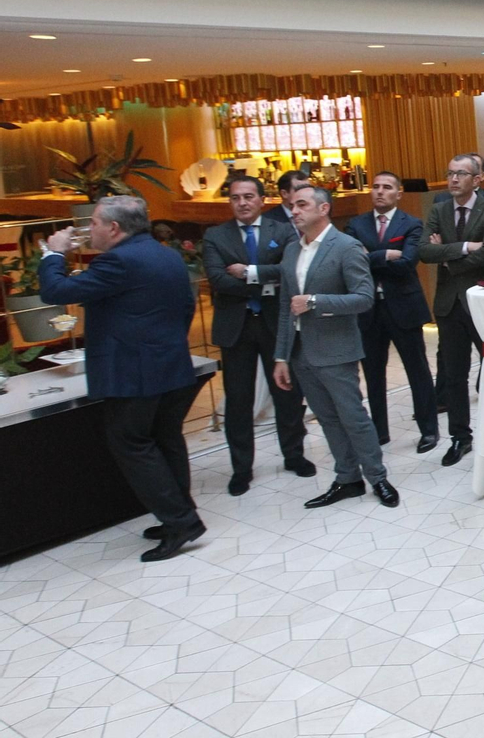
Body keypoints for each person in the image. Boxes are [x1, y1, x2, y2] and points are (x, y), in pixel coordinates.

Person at [39, 196, 206, 561]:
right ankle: (178, 515)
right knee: (166, 440)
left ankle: (180, 522)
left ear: (114, 228)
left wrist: (54, 254)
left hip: (134, 373)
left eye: (94, 223)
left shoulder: (118, 261)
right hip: (170, 364)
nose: (90, 229)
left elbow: (56, 291)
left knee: (132, 443)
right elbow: (186, 306)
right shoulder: (166, 254)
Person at [271, 186, 400, 510]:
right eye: (292, 205)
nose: (294, 210)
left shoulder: (345, 246)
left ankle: (378, 477)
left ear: (323, 208)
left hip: (336, 349)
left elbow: (364, 298)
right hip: (301, 352)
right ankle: (347, 478)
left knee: (353, 417)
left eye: (302, 204)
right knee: (327, 418)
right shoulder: (291, 250)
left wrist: (316, 301)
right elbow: (287, 306)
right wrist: (281, 355)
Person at [201, 175, 313, 495]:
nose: (243, 203)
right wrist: (267, 285)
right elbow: (218, 280)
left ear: (262, 200)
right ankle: (241, 469)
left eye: (249, 197)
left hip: (275, 324)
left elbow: (290, 271)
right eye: (236, 198)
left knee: (287, 394)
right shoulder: (215, 235)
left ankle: (294, 455)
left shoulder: (283, 231)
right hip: (236, 328)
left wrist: (250, 274)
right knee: (238, 401)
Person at [419, 154, 484, 467]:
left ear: (477, 180)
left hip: (481, 302)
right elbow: (424, 251)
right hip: (448, 305)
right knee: (454, 376)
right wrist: (467, 247)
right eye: (450, 173)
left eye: (461, 174)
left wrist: (448, 258)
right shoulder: (439, 209)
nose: (453, 179)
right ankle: (460, 437)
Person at [347, 171, 438, 452]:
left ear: (398, 193)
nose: (379, 191)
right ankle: (379, 431)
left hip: (404, 307)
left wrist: (370, 257)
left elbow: (407, 262)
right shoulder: (356, 225)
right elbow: (352, 263)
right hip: (368, 309)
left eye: (387, 187)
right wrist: (386, 254)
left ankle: (429, 430)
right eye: (375, 187)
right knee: (373, 374)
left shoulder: (411, 223)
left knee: (417, 371)